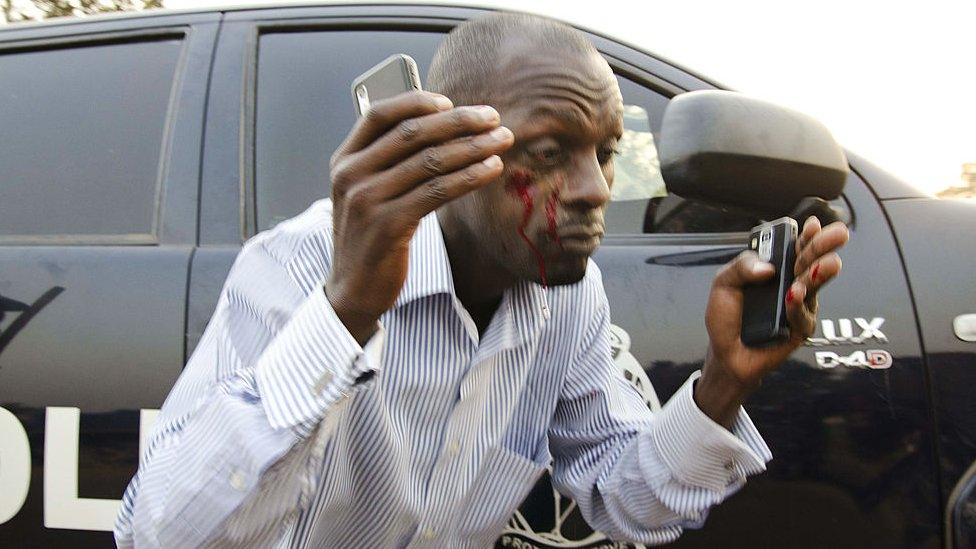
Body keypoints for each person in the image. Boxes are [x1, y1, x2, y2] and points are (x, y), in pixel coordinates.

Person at [115, 12, 848, 548]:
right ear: (445, 147)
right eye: (552, 149)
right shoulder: (301, 263)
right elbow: (163, 537)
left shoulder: (567, 297)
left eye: (607, 150)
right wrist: (345, 314)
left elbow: (627, 500)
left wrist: (724, 382)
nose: (596, 188)